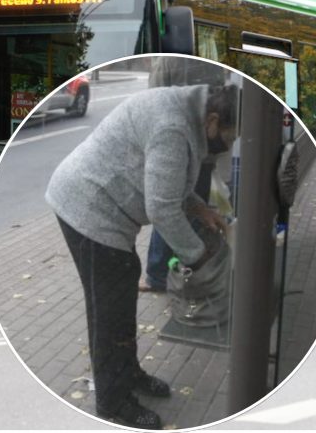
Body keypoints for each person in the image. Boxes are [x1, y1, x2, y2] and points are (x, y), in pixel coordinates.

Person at [45, 82, 237, 429]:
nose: (229, 144)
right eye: (228, 135)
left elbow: (168, 182)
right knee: (110, 310)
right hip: (88, 208)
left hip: (99, 206)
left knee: (118, 298)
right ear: (211, 119)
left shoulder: (186, 112)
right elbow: (162, 208)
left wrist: (199, 209)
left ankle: (127, 371)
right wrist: (197, 258)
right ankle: (113, 401)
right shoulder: (174, 126)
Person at [141, 56, 227, 292]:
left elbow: (154, 101)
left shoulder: (167, 61)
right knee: (179, 207)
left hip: (177, 146)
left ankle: (161, 274)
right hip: (203, 148)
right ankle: (182, 270)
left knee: (173, 205)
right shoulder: (214, 57)